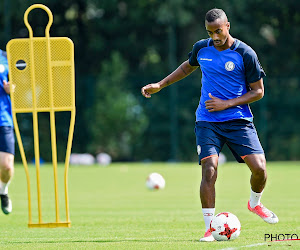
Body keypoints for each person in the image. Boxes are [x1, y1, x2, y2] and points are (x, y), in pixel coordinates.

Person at [141, 8, 278, 242]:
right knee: (210, 169)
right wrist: (160, 84)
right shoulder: (201, 48)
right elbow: (187, 67)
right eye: (210, 32)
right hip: (207, 121)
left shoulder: (245, 53)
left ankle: (255, 204)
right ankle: (209, 228)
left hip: (238, 120)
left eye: (218, 31)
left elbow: (258, 91)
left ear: (228, 26)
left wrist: (227, 104)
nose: (215, 36)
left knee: (260, 169)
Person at [0, 48, 14, 215]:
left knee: (6, 166)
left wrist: (13, 89)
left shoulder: (6, 56)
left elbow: (23, 85)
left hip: (3, 118)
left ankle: (3, 191)